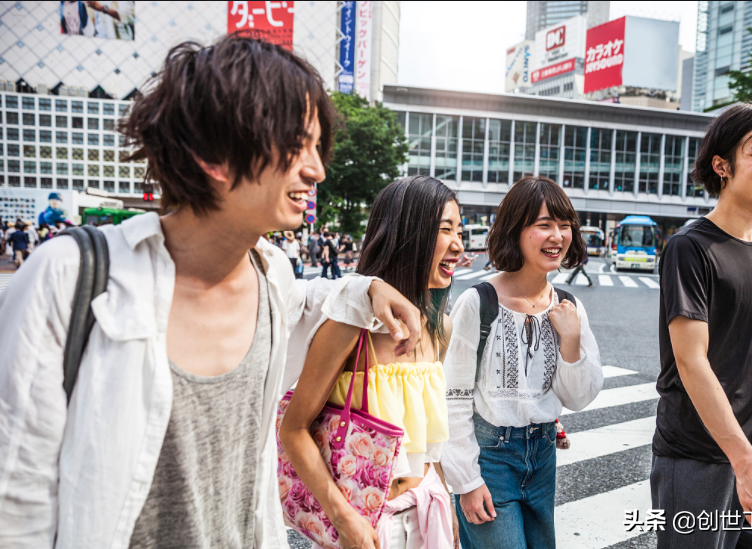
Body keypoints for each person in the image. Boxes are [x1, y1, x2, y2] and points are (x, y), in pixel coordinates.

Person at [0, 36, 424, 549]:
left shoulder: (272, 277)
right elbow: (14, 503)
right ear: (213, 154)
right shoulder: (69, 277)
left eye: (318, 147)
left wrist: (371, 287)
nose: (316, 169)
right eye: (296, 143)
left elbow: (314, 300)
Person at [653, 102, 752, 548]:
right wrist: (745, 465)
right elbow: (691, 361)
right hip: (698, 458)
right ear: (722, 165)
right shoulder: (690, 248)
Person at [279, 176, 464, 549]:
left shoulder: (440, 327)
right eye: (446, 230)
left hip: (428, 512)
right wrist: (343, 518)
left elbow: (431, 440)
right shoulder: (350, 326)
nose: (459, 245)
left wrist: (448, 501)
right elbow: (293, 428)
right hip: (363, 525)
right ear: (409, 235)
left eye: (459, 230)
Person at [442, 176, 603, 549]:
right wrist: (466, 481)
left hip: (543, 455)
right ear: (516, 229)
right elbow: (452, 397)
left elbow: (579, 397)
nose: (557, 236)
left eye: (564, 226)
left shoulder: (568, 307)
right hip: (491, 459)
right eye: (544, 225)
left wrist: (572, 341)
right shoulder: (478, 302)